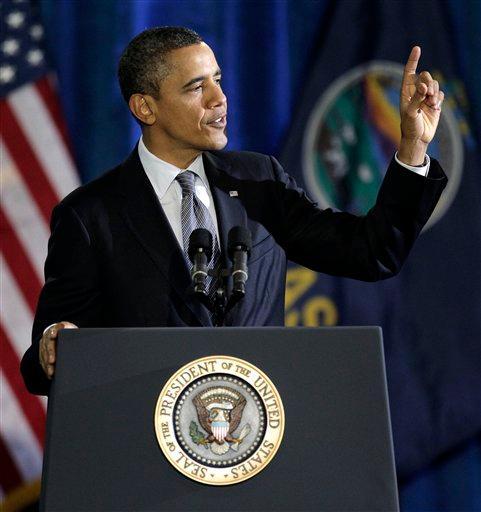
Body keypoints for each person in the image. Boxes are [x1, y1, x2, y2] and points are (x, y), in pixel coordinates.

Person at [21, 27, 447, 396]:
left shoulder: (259, 181)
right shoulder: (90, 215)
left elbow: (371, 252)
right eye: (196, 87)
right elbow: (44, 359)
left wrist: (412, 148)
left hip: (261, 441)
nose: (220, 99)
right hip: (153, 456)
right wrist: (54, 343)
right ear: (145, 107)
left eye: (218, 80)